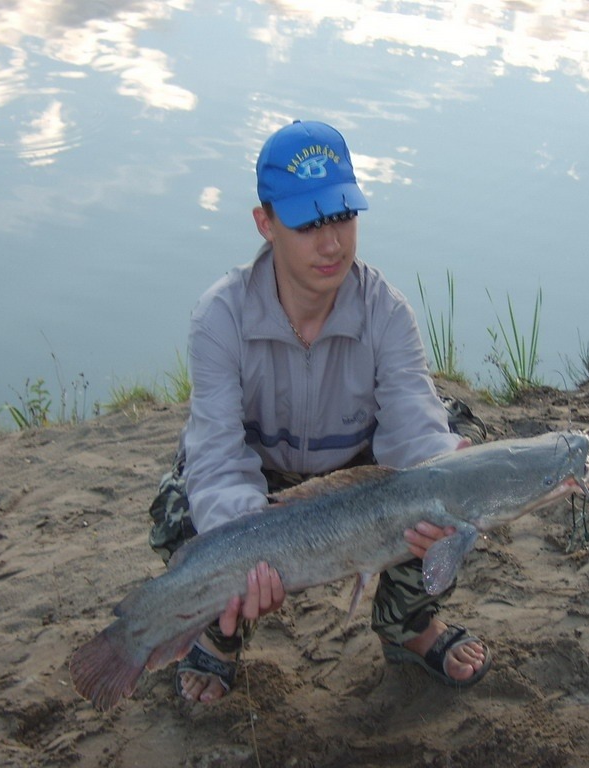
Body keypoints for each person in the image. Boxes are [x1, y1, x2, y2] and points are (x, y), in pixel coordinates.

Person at [148, 119, 491, 703]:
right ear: (266, 223)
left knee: (455, 475)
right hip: (264, 480)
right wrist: (249, 546)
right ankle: (221, 633)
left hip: (361, 474)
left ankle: (406, 621)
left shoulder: (387, 313)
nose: (331, 244)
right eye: (308, 224)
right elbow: (216, 458)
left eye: (342, 217)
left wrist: (444, 467)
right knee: (183, 513)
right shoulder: (219, 317)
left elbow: (412, 428)